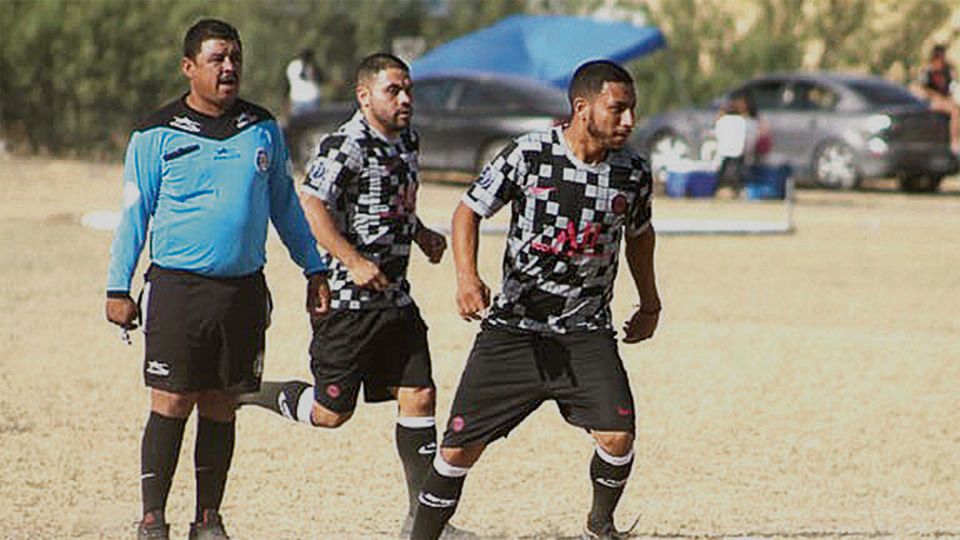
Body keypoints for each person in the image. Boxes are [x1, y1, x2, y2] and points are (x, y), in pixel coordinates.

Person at [409, 60, 662, 540]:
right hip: (515, 330)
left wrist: (650, 303)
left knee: (618, 437)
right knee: (458, 450)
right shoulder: (530, 154)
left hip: (586, 334)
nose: (628, 121)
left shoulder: (632, 172)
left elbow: (641, 236)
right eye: (618, 109)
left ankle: (600, 524)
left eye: (632, 110)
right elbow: (467, 211)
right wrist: (467, 278)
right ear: (581, 107)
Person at [104, 19, 330, 540]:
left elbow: (285, 207)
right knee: (173, 399)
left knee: (222, 403)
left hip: (243, 291)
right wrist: (119, 287)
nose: (229, 68)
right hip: (178, 288)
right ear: (189, 68)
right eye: (216, 59)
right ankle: (152, 517)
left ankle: (208, 518)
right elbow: (134, 214)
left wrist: (314, 268)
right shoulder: (154, 133)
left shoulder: (263, 127)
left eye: (235, 58)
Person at [238, 53, 460, 537]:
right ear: (365, 96)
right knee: (330, 413)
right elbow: (311, 204)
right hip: (347, 305)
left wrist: (420, 233)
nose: (405, 99)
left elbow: (389, 203)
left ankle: (425, 525)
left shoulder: (408, 140)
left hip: (395, 300)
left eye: (408, 90)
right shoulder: (346, 144)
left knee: (419, 395)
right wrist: (353, 261)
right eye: (393, 91)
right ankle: (251, 391)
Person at [714, 90, 771, 195]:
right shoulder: (728, 114)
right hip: (730, 145)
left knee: (739, 164)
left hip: (746, 146)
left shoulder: (752, 116)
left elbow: (760, 129)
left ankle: (739, 186)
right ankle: (721, 185)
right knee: (727, 163)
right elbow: (719, 122)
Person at [920, 44, 959, 154]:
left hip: (945, 100)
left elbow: (952, 87)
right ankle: (955, 142)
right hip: (931, 101)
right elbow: (923, 90)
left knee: (955, 108)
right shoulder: (928, 72)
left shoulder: (947, 72)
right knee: (954, 110)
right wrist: (938, 97)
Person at [285, 48, 324, 116]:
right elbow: (321, 79)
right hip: (312, 98)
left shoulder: (292, 65)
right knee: (313, 122)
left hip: (296, 98)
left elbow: (288, 83)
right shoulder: (311, 66)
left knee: (298, 122)